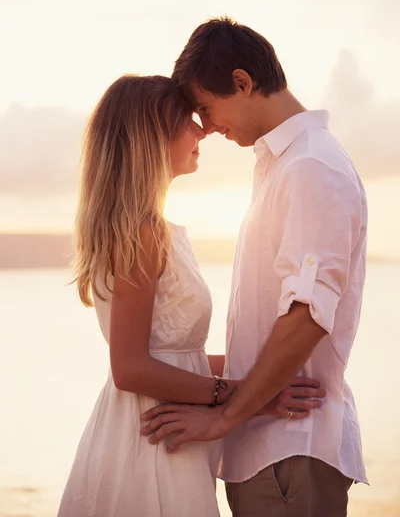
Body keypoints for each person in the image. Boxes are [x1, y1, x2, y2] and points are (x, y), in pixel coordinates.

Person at [57, 74, 323, 517]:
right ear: (150, 137)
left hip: (165, 425)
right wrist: (245, 396)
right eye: (187, 121)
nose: (201, 131)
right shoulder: (142, 233)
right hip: (152, 439)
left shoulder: (148, 229)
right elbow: (130, 369)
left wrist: (265, 380)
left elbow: (179, 357)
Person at [142, 18, 368, 517]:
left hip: (290, 447)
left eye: (206, 106)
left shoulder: (311, 167)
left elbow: (308, 314)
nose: (206, 126)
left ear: (242, 83)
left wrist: (222, 420)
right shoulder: (282, 166)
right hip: (267, 449)